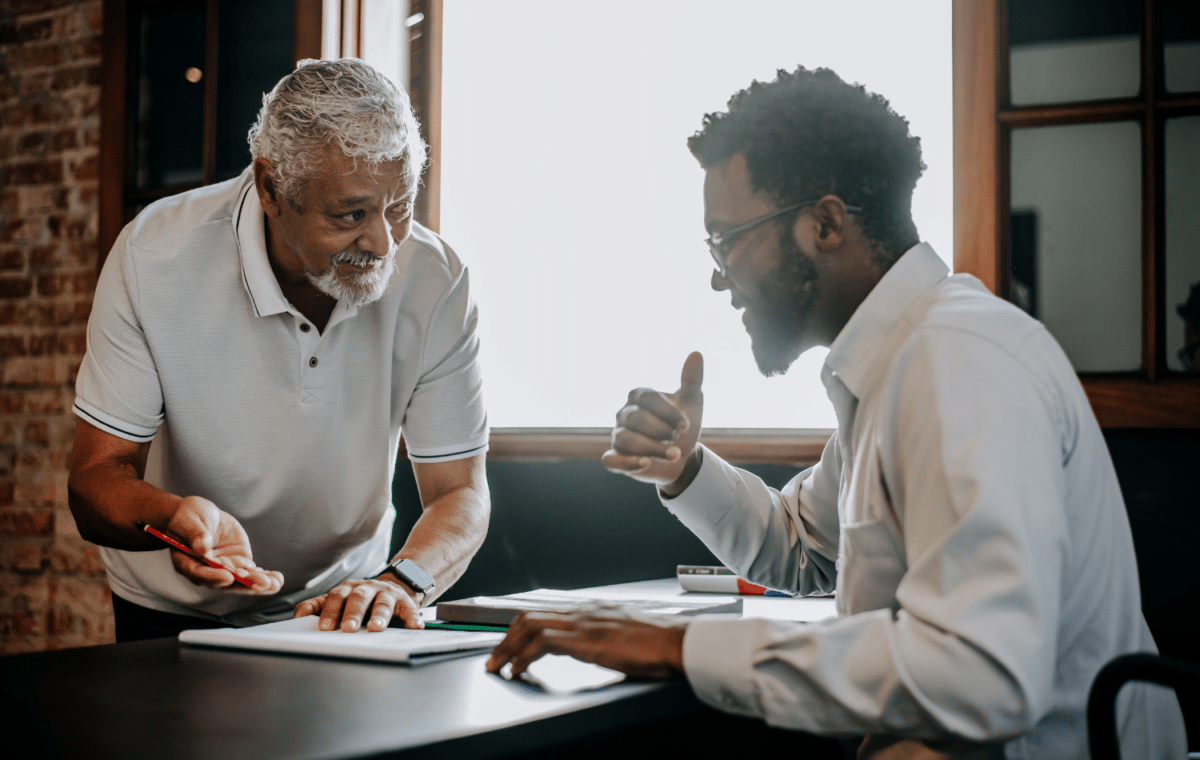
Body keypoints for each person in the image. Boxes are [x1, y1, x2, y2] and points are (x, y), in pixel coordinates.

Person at [486, 68, 1186, 758]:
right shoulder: (893, 362)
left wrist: (679, 646)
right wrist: (686, 470)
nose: (716, 273)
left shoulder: (957, 358)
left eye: (726, 240)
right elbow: (804, 548)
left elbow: (984, 672)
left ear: (824, 224)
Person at [67, 58, 490, 642]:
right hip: (171, 615)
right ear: (271, 188)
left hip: (348, 602)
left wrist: (401, 582)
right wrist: (170, 520)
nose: (385, 243)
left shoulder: (435, 277)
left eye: (400, 206)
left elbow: (460, 492)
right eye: (352, 214)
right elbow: (93, 480)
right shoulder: (153, 255)